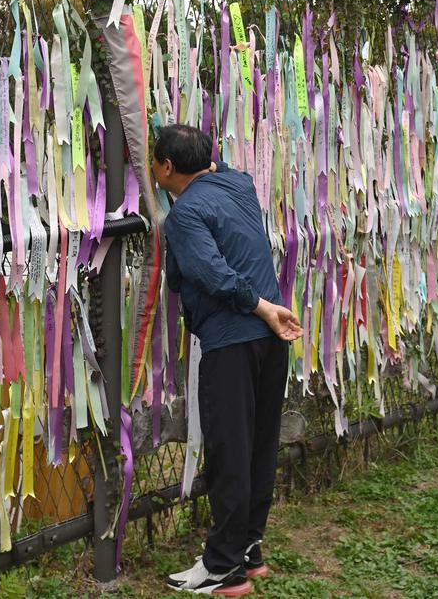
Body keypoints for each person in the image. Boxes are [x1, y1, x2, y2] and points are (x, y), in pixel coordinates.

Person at [152, 124, 304, 596]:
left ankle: (224, 567)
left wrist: (259, 305)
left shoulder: (183, 217)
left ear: (167, 168)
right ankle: (248, 548)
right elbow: (221, 169)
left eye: (154, 162)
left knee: (229, 450)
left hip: (234, 339)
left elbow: (212, 276)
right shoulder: (237, 183)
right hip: (271, 337)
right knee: (260, 444)